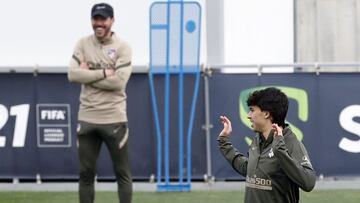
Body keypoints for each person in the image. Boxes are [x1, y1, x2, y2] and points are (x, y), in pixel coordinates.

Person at [68, 3, 132, 203]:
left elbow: (119, 81)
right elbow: (72, 75)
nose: (99, 23)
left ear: (112, 21)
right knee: (85, 174)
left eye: (103, 19)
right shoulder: (82, 44)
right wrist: (104, 72)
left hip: (114, 119)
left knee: (122, 173)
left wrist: (86, 74)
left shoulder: (122, 47)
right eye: (95, 19)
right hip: (87, 118)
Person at [217, 87, 315, 203]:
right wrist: (224, 142)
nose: (248, 115)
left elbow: (308, 183)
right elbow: (249, 170)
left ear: (267, 114)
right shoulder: (258, 140)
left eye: (252, 110)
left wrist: (280, 150)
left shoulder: (291, 143)